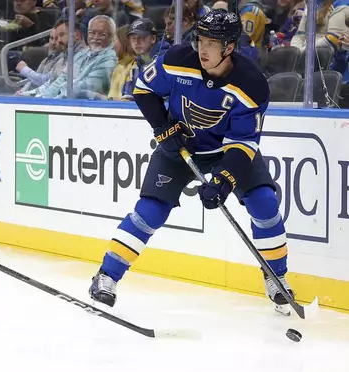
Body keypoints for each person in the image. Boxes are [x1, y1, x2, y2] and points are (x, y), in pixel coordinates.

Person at [88, 10, 295, 316]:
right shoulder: (177, 59)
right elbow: (144, 91)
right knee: (150, 210)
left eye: (213, 42)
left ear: (229, 47)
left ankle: (277, 277)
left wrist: (224, 180)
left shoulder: (251, 84)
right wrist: (162, 128)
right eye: (200, 39)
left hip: (227, 151)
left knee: (264, 202)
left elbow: (244, 142)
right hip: (180, 146)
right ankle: (106, 276)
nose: (203, 49)